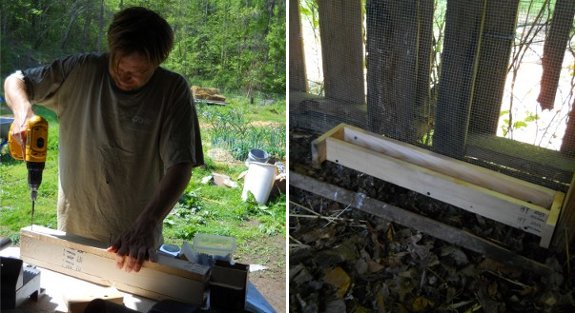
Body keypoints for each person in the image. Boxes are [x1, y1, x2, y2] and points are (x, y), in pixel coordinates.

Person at [4, 7, 204, 273]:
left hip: (133, 246)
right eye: (118, 64)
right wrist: (22, 112)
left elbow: (181, 166)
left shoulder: (172, 91)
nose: (124, 75)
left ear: (157, 63)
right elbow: (16, 80)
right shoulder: (81, 70)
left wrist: (148, 224)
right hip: (74, 233)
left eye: (137, 72)